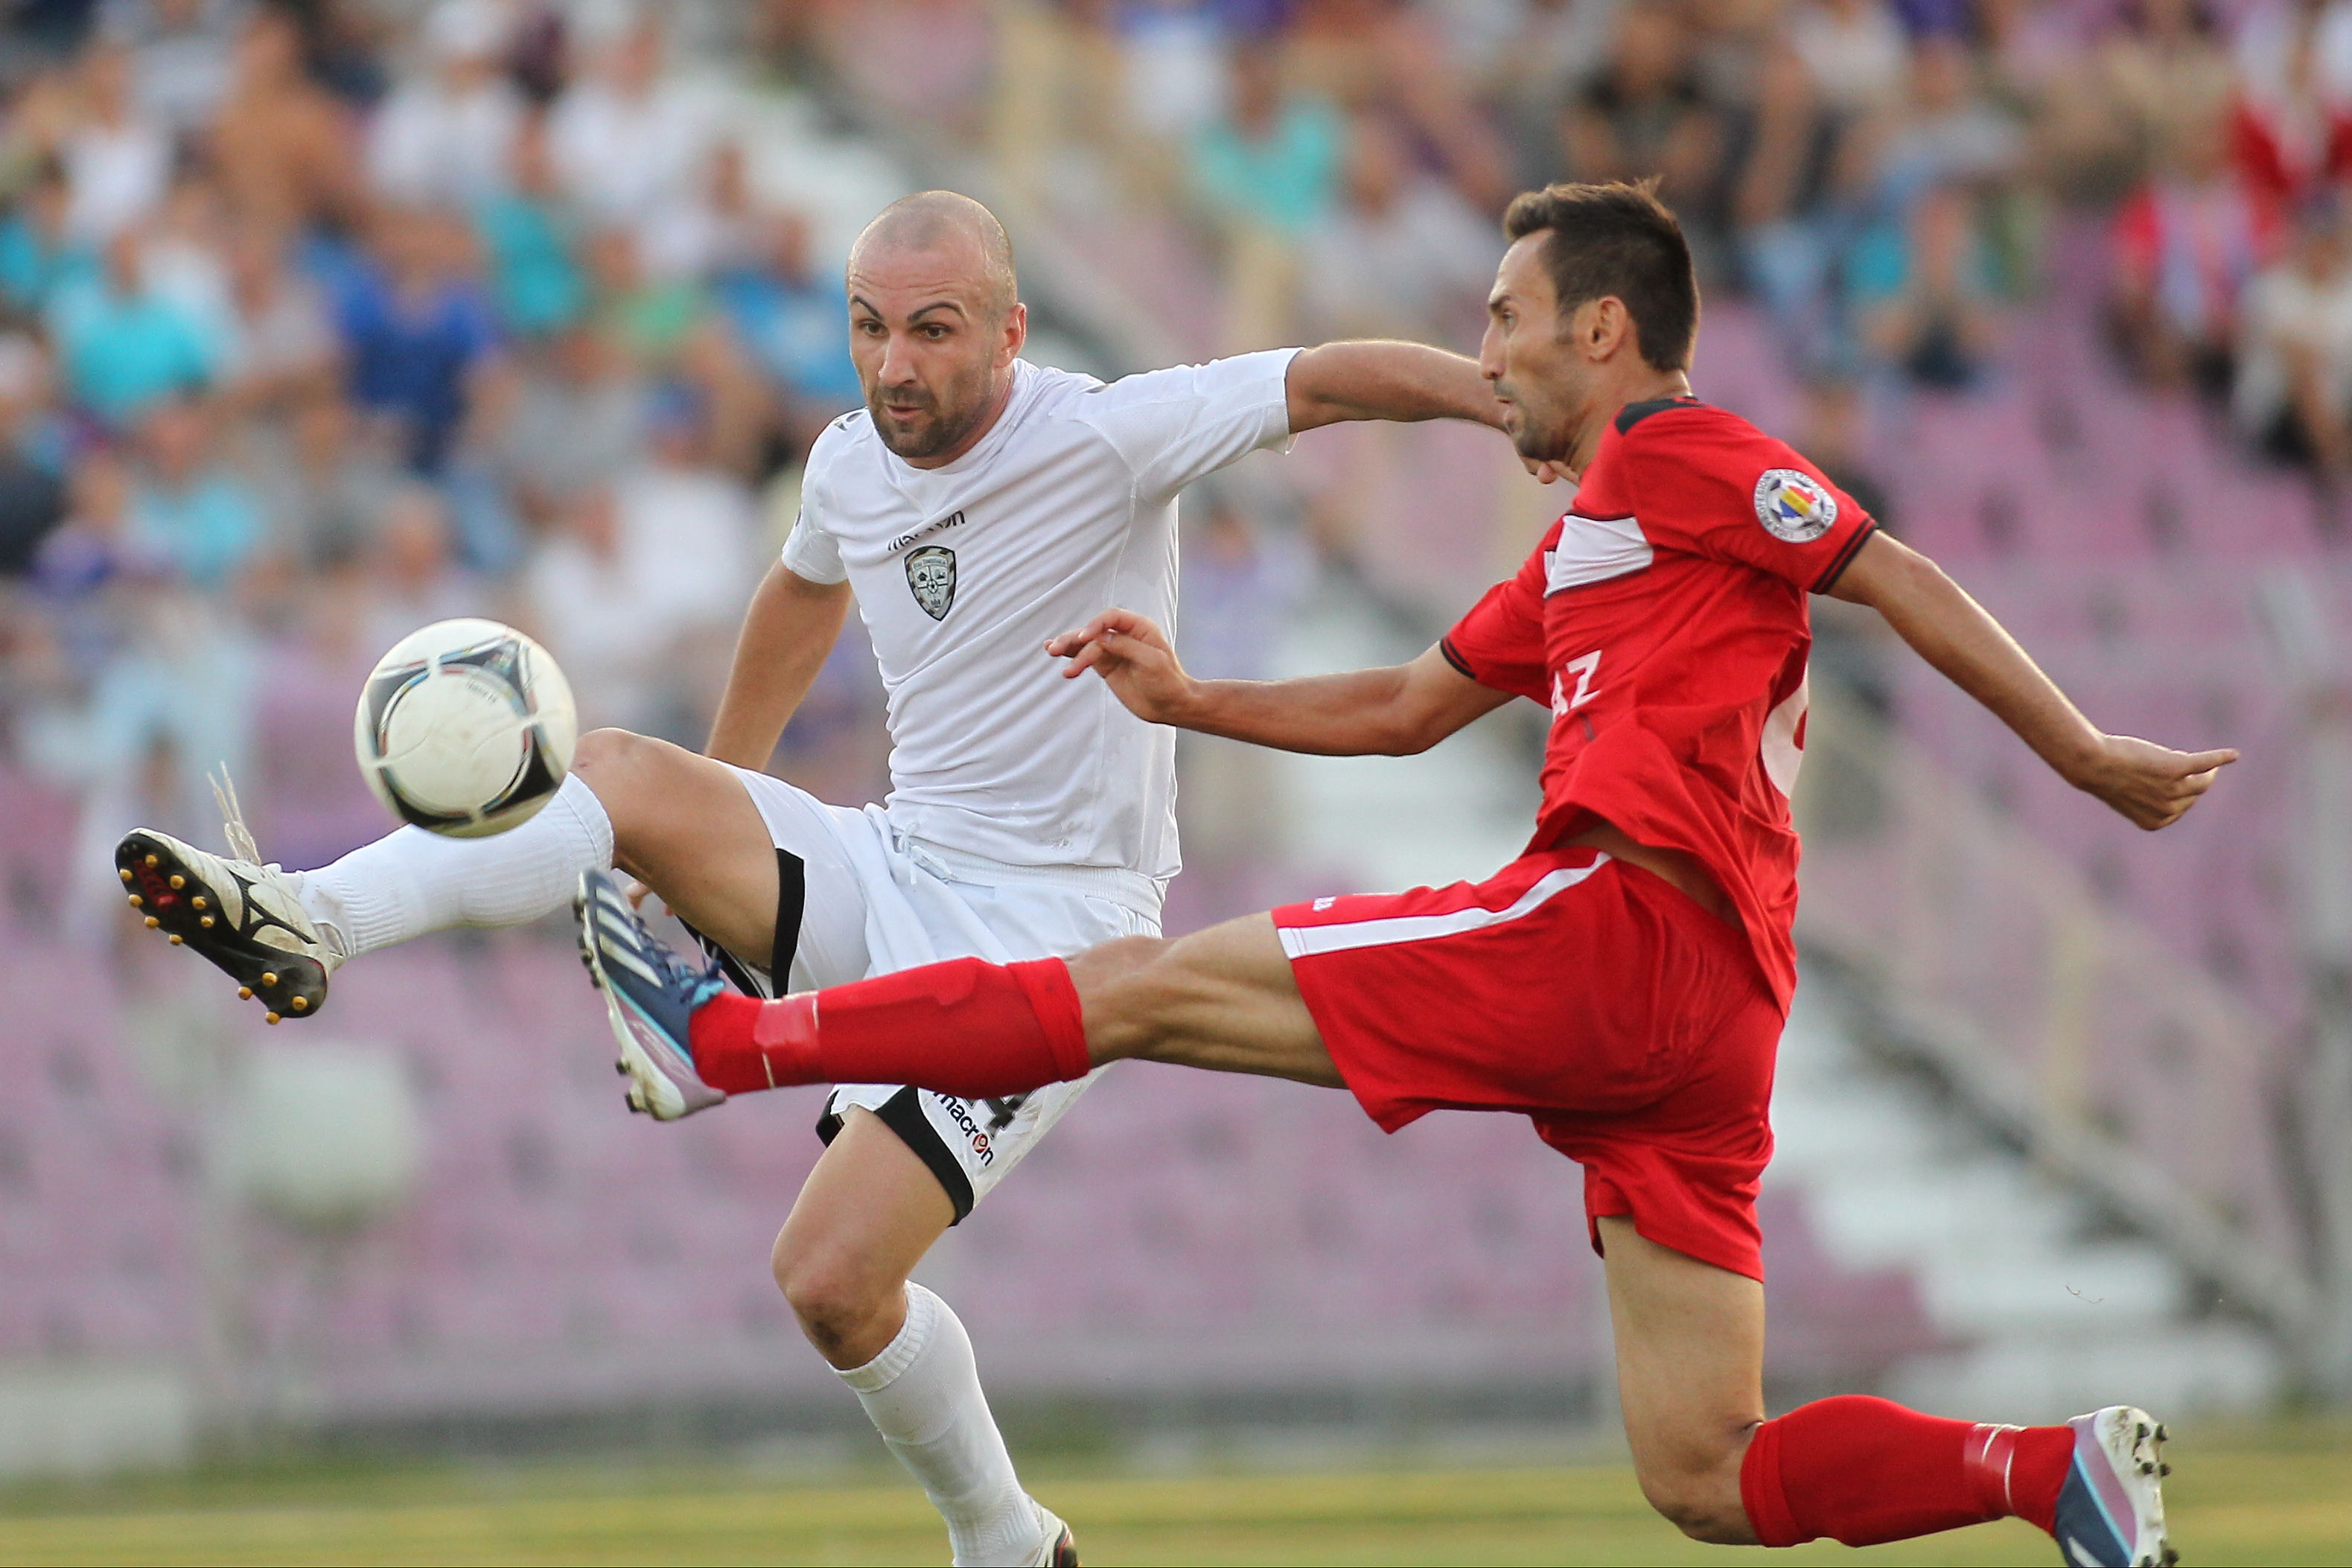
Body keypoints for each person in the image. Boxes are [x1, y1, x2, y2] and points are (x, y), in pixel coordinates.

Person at [579, 183, 2225, 1568]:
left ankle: (724, 1042)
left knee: (1137, 990)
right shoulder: (1585, 546)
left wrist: (2079, 753)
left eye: (1506, 312)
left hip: (1618, 929)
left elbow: (1888, 570)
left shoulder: (1681, 455)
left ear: (1598, 330)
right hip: (1712, 1023)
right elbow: (1402, 707)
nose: (1487, 342)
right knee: (1702, 1475)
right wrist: (1189, 698)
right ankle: (2042, 1475)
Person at [115, 190, 1516, 1568]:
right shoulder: (848, 462)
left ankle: (1006, 1538)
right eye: (869, 328)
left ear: (1011, 332)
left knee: (833, 1284)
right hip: (897, 855)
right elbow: (803, 589)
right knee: (619, 768)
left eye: (933, 329)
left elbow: (1327, 381)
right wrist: (709, 802)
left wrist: (1501, 399)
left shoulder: (1101, 432)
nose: (895, 361)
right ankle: (315, 918)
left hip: (1059, 932)